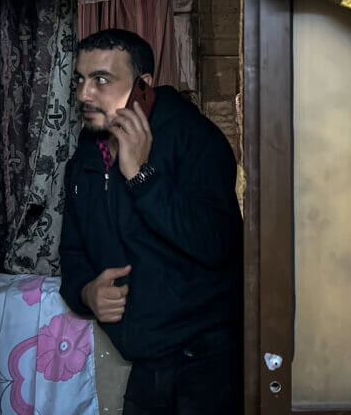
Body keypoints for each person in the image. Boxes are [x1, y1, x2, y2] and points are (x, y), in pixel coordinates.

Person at [59, 28, 243, 415]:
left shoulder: (196, 140)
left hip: (207, 364)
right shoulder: (86, 158)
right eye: (80, 80)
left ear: (142, 86)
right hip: (146, 365)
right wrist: (86, 293)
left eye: (102, 80)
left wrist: (142, 175)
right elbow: (73, 254)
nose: (83, 95)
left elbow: (217, 244)